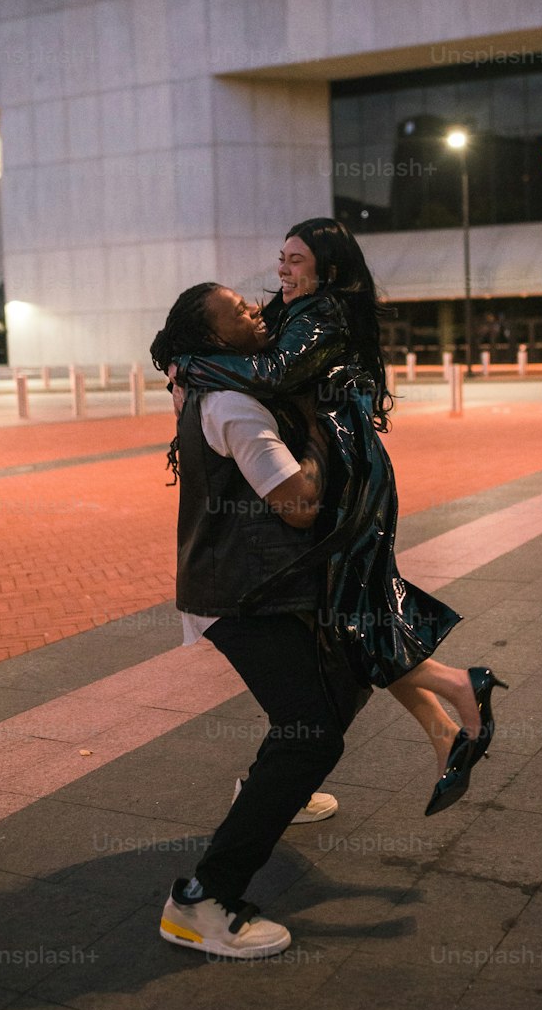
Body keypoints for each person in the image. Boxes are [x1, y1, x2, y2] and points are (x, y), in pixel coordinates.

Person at [170, 218, 507, 820]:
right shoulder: (293, 311)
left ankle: (456, 690)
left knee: (355, 611)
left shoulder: (323, 314)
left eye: (295, 260)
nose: (281, 271)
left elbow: (269, 374)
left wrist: (190, 366)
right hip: (336, 457)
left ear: (327, 268)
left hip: (346, 465)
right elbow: (208, 341)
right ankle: (445, 724)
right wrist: (180, 361)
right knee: (358, 611)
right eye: (281, 257)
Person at [149, 282, 365, 959]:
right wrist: (326, 441)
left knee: (350, 669)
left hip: (250, 583)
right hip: (241, 595)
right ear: (217, 339)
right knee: (312, 735)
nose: (256, 310)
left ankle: (273, 786)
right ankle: (203, 901)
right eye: (238, 311)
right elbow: (298, 504)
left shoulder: (212, 380)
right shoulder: (237, 403)